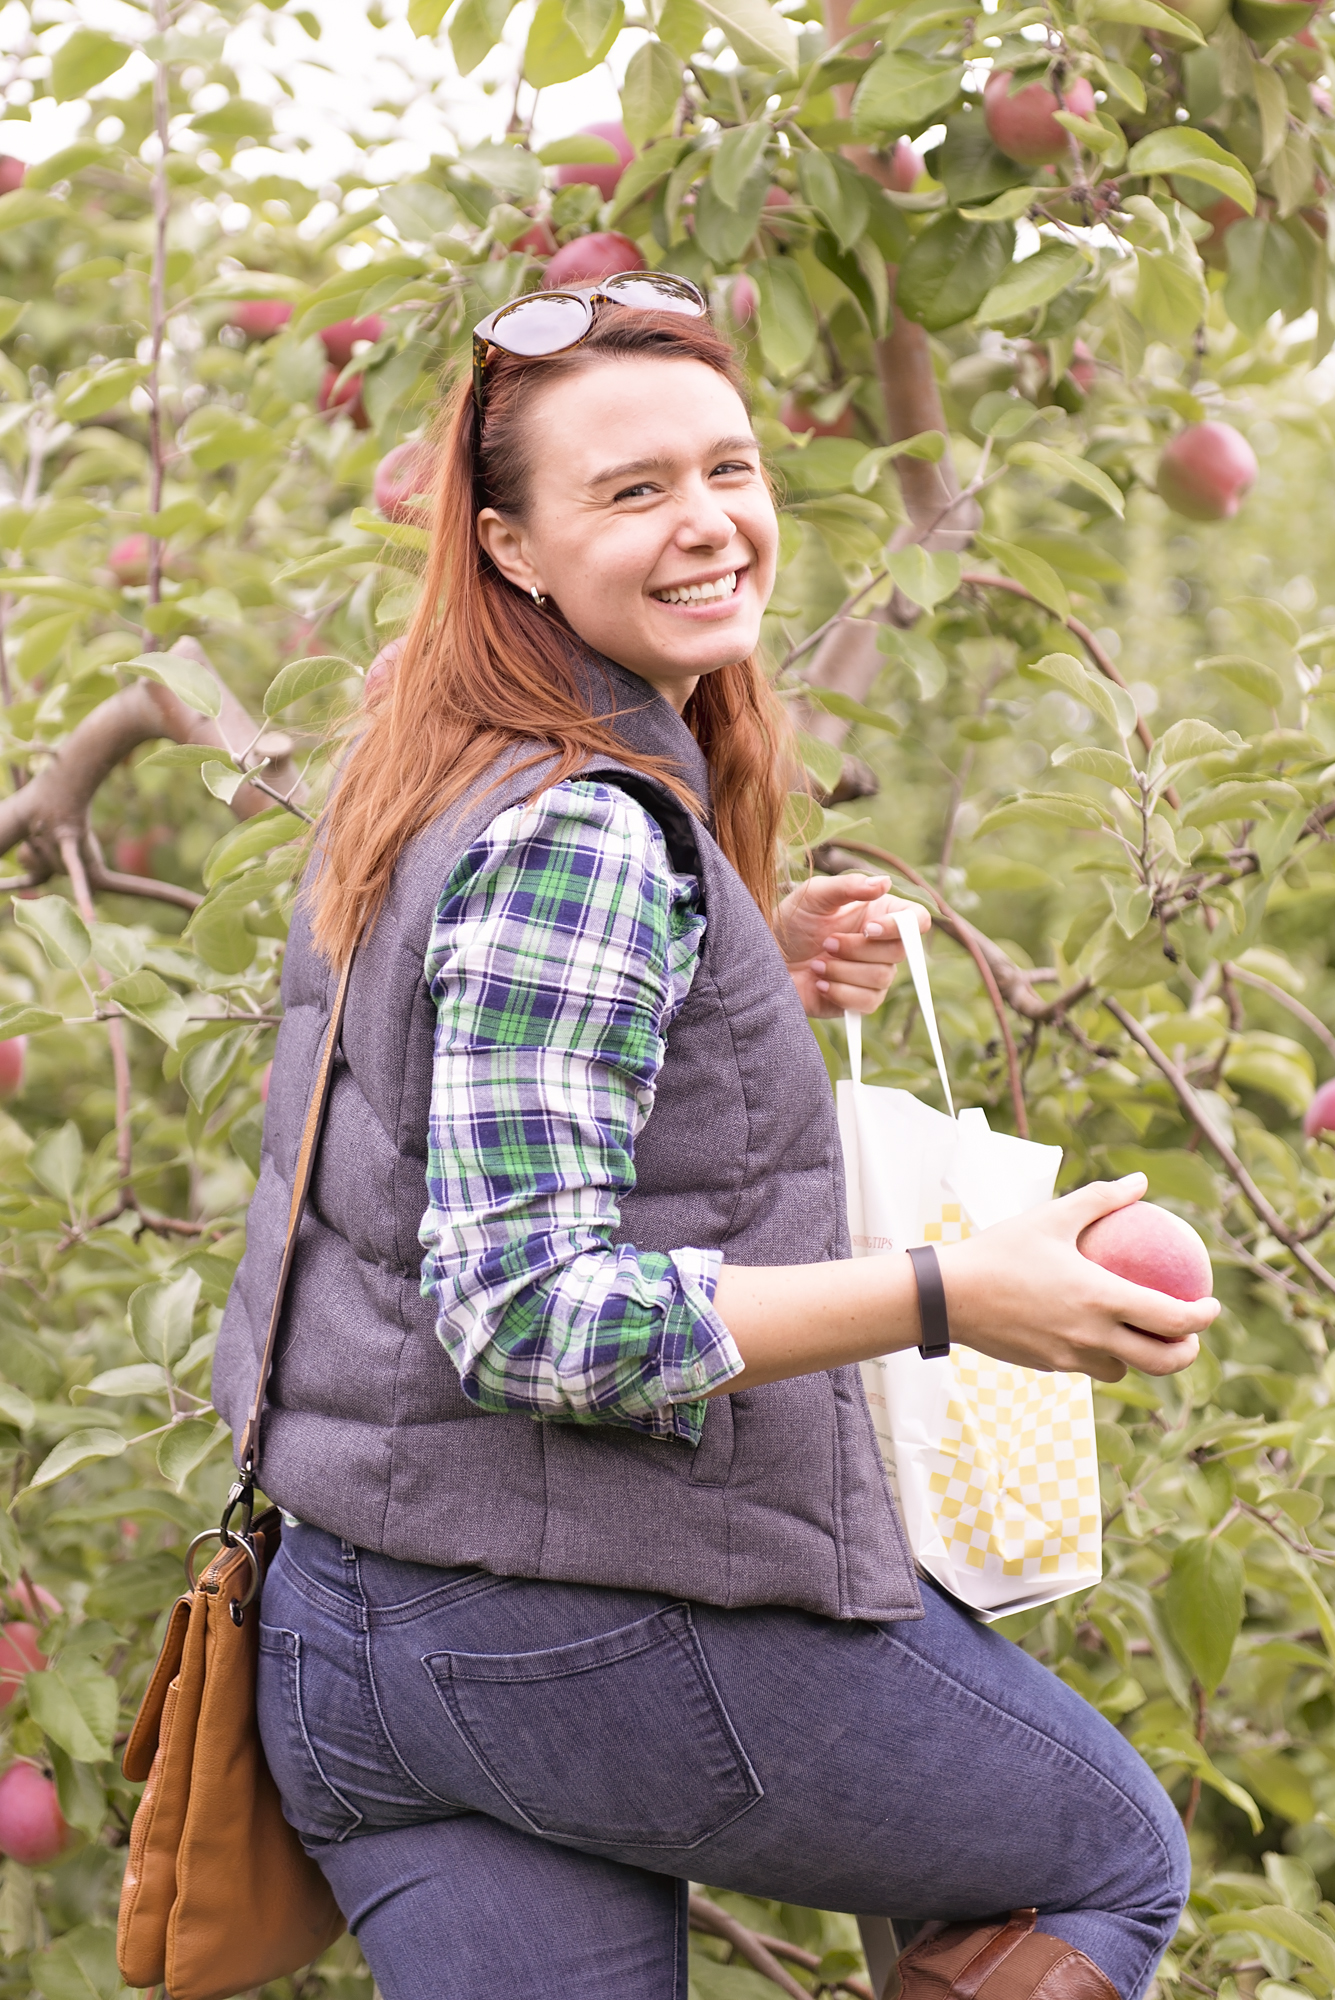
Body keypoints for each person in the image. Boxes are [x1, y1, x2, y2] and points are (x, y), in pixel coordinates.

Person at [212, 275, 1218, 2000]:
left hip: (344, 1635)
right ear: (513, 548)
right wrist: (948, 1293)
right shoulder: (585, 840)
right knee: (1106, 1858)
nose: (709, 523)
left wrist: (737, 941)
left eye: (727, 469)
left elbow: (459, 1079)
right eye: (631, 491)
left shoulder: (441, 763)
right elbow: (526, 1314)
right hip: (572, 1631)